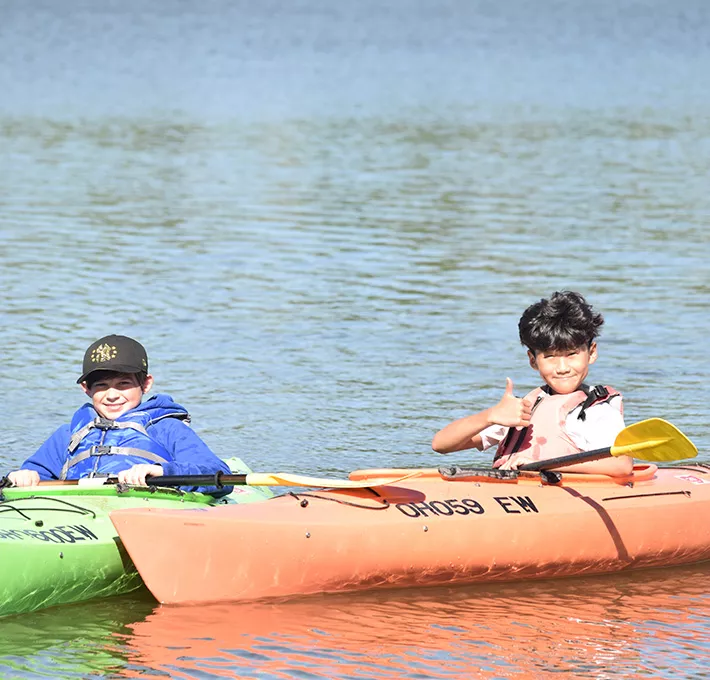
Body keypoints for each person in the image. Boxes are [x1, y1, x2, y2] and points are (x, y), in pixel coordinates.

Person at [431, 291, 633, 476]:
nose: (562, 367)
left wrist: (545, 463)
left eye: (572, 354)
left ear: (592, 352)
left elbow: (621, 466)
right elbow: (441, 444)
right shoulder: (526, 408)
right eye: (550, 357)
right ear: (533, 360)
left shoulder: (596, 411)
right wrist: (490, 416)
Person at [6, 334, 232, 496]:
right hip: (77, 515)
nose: (112, 395)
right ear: (86, 389)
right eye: (102, 386)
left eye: (123, 384)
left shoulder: (166, 428)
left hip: (141, 511)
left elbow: (216, 473)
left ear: (145, 384)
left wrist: (162, 471)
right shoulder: (68, 434)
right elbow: (38, 472)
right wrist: (25, 477)